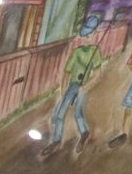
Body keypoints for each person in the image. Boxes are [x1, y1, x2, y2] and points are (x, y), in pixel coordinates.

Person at [43, 14, 105, 159]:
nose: (86, 38)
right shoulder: (76, 52)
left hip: (84, 85)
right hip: (72, 85)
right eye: (84, 35)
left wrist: (87, 86)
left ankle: (84, 133)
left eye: (89, 35)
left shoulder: (95, 52)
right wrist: (64, 88)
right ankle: (56, 140)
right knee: (59, 113)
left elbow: (97, 74)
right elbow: (66, 71)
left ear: (93, 35)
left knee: (78, 112)